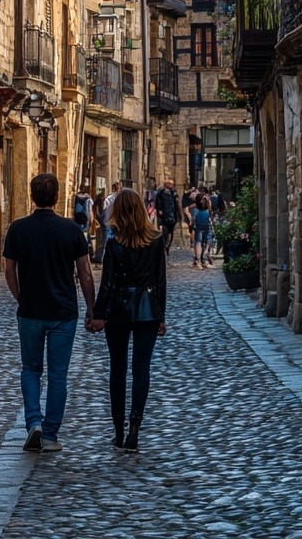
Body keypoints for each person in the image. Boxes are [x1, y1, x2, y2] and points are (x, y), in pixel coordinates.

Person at [4, 173, 97, 454]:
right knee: (58, 375)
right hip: (63, 312)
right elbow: (85, 274)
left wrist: (22, 298)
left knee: (30, 369)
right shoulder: (71, 230)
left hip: (30, 311)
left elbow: (10, 272)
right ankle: (51, 434)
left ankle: (33, 421)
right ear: (57, 197)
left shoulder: (17, 229)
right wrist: (92, 310)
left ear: (32, 196)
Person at [88, 188, 167, 454]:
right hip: (147, 308)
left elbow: (107, 284)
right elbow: (160, 283)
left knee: (118, 369)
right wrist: (161, 316)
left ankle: (119, 430)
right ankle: (135, 427)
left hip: (120, 309)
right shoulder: (156, 240)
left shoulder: (115, 243)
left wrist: (99, 314)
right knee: (141, 368)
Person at [153, 179, 179, 254]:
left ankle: (167, 246)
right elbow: (158, 203)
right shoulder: (161, 193)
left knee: (170, 231)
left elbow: (177, 204)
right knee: (164, 231)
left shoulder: (174, 193)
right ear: (166, 184)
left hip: (172, 214)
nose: (172, 185)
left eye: (172, 184)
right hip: (164, 215)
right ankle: (164, 245)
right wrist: (159, 210)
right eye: (170, 183)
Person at [191, 196, 214, 268]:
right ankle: (204, 259)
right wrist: (209, 203)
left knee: (198, 242)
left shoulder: (194, 209)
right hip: (206, 226)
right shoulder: (207, 210)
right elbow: (211, 215)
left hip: (198, 226)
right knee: (207, 241)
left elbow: (193, 219)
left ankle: (198, 260)